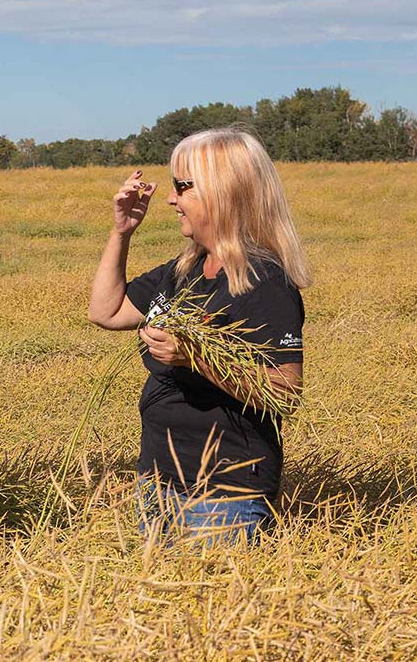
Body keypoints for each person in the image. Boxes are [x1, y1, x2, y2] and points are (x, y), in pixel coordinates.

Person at [88, 128, 311, 544]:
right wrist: (122, 232)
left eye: (182, 186)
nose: (171, 199)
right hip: (158, 483)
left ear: (223, 192)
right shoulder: (184, 270)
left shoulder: (264, 282)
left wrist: (195, 358)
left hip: (224, 496)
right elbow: (106, 311)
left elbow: (285, 392)